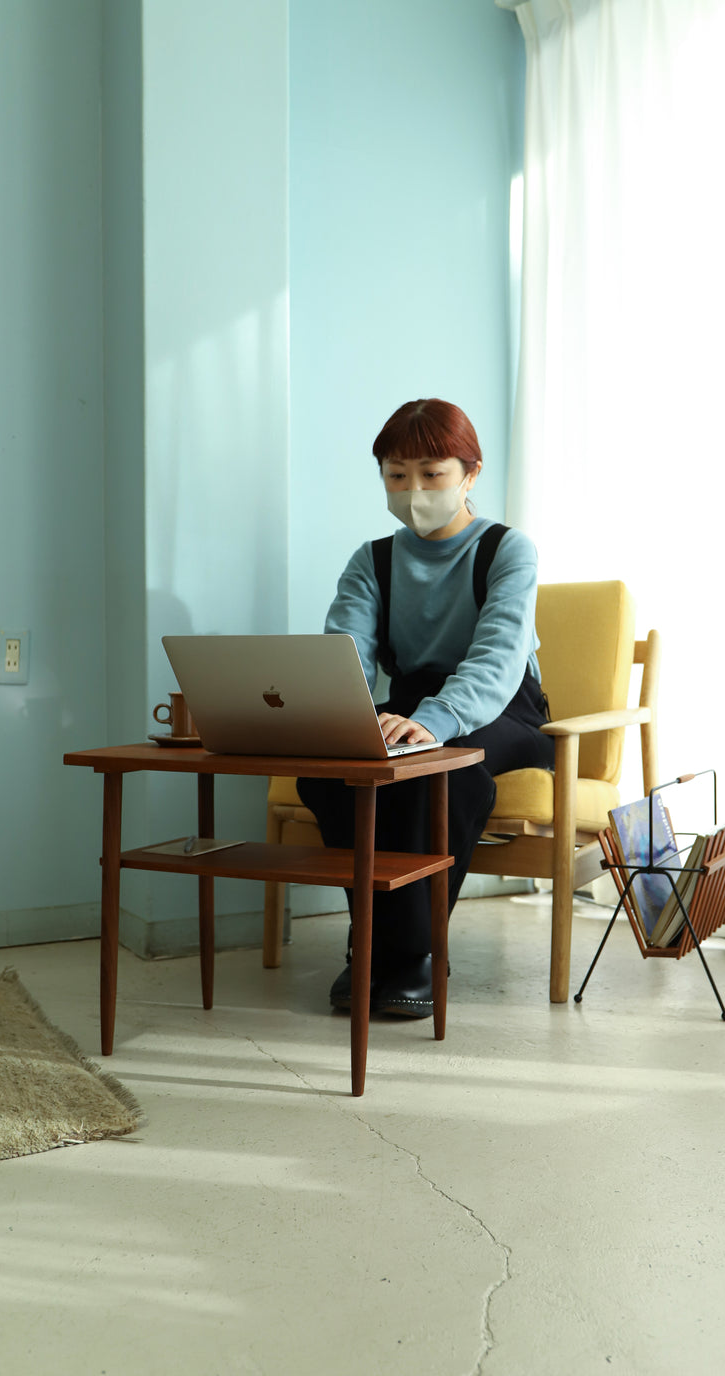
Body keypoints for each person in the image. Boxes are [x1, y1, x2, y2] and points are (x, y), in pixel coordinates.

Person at [297, 398, 554, 1017]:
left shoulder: (507, 550)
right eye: (396, 474)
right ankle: (373, 943)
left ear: (471, 473)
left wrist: (433, 724)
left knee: (446, 772)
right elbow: (347, 654)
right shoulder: (373, 561)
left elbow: (496, 662)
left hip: (504, 706)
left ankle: (414, 953)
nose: (413, 490)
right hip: (410, 701)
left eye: (432, 473)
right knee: (330, 777)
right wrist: (344, 721)